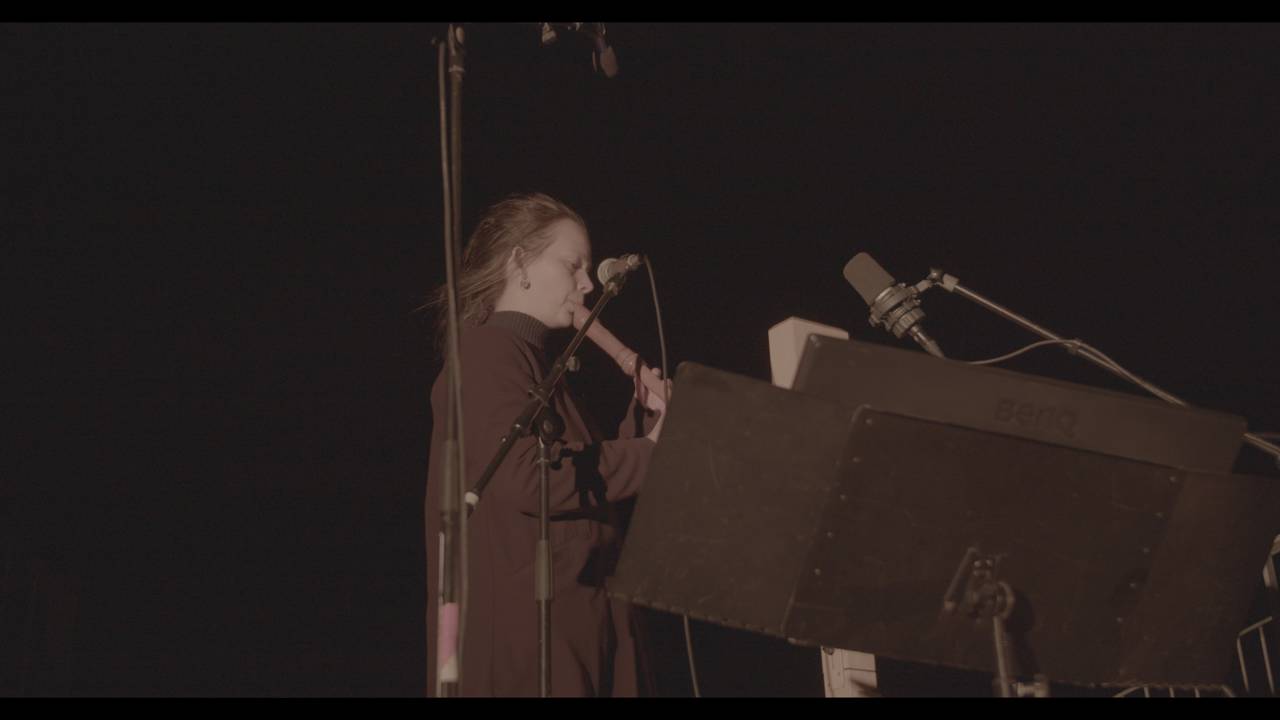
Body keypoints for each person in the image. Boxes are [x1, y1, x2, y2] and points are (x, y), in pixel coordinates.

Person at [424, 192, 668, 696]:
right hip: (533, 650)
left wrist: (645, 421)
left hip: (579, 632)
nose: (587, 283)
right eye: (573, 265)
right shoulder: (488, 352)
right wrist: (650, 453)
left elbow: (583, 488)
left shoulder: (539, 368)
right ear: (519, 264)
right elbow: (527, 476)